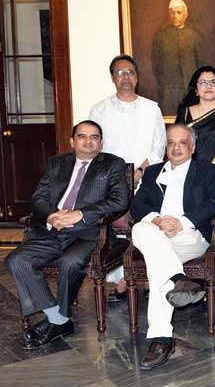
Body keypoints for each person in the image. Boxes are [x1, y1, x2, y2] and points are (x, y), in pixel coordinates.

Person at [5, 120, 129, 349]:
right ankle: (58, 319)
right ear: (72, 141)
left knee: (69, 262)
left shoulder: (113, 164)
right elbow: (39, 197)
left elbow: (119, 201)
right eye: (82, 136)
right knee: (16, 260)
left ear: (101, 142)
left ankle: (56, 321)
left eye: (94, 137)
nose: (89, 141)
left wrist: (80, 214)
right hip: (53, 230)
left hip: (89, 233)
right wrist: (52, 216)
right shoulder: (57, 163)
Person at [129, 124, 215, 369]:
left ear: (192, 147)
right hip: (157, 233)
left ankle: (161, 339)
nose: (176, 147)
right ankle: (177, 282)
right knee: (140, 228)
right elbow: (138, 205)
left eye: (182, 142)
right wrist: (158, 220)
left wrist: (181, 223)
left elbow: (214, 203)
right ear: (166, 147)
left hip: (190, 236)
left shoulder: (207, 170)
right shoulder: (152, 173)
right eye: (171, 142)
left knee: (157, 264)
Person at [88, 54, 166, 294]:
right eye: (120, 73)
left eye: (130, 72)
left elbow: (159, 146)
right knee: (116, 226)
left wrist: (141, 170)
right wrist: (117, 177)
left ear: (137, 77)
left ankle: (145, 275)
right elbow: (94, 147)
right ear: (112, 77)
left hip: (147, 178)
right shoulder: (99, 109)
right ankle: (121, 279)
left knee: (148, 224)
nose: (126, 77)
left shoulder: (151, 108)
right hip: (111, 182)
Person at [151, 0, 201, 115]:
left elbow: (200, 62)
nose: (175, 16)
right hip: (169, 89)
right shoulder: (161, 36)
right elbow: (156, 64)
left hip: (190, 88)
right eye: (172, 13)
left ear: (186, 14)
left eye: (179, 12)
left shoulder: (194, 36)